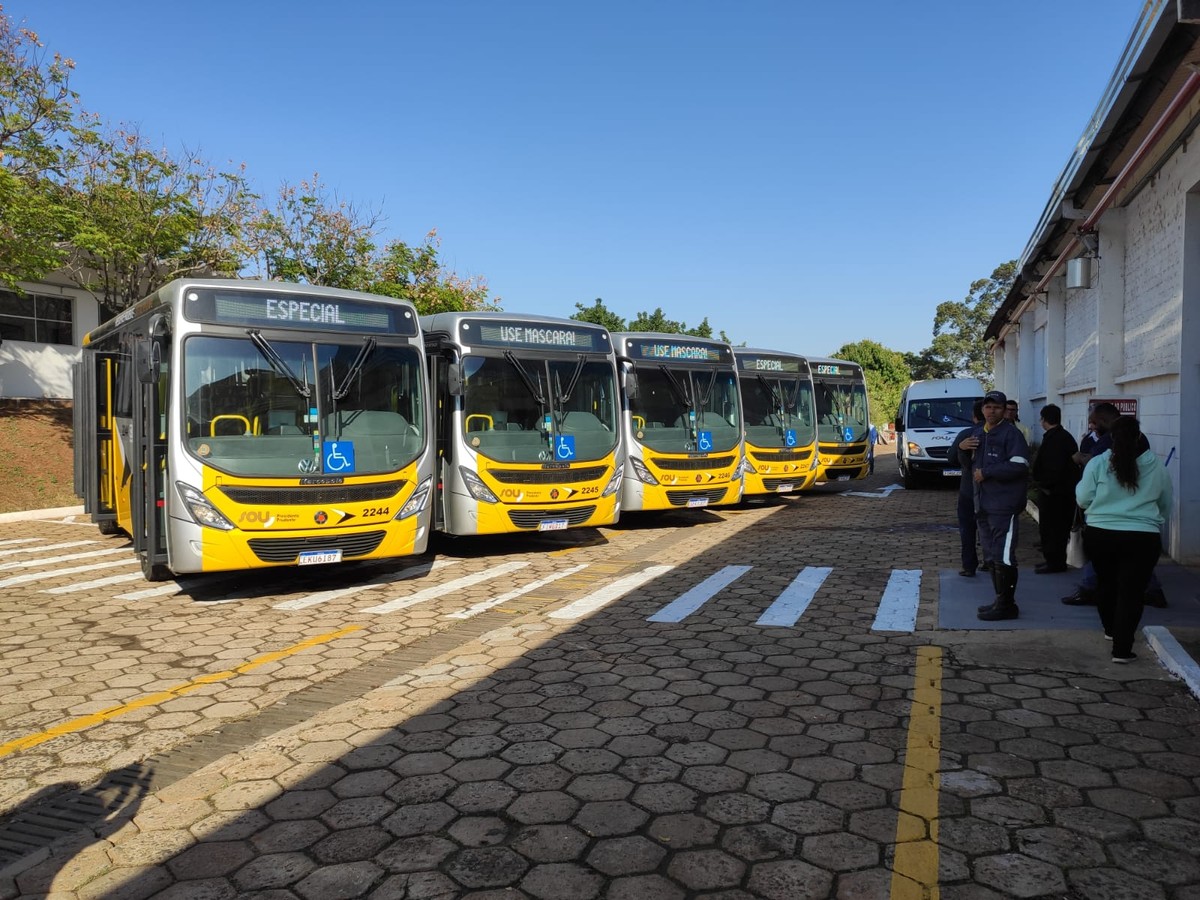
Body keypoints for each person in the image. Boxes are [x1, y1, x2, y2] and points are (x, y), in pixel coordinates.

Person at [1076, 416, 1172, 663]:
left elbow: (1083, 498)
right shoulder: (1157, 466)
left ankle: (1110, 629)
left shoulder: (1098, 463)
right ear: (1139, 436)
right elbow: (1165, 504)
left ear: (1111, 438)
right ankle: (1122, 648)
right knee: (1131, 592)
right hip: (1142, 537)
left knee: (1106, 584)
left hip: (1101, 534)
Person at [1062, 403, 1169, 608]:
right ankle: (1149, 592)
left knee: (1106, 575)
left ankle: (1092, 591)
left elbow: (1084, 496)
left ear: (1105, 423)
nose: (1091, 425)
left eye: (1094, 421)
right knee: (1136, 573)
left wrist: (1093, 510)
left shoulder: (1103, 456)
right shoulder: (1153, 462)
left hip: (1105, 524)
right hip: (1143, 527)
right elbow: (1164, 500)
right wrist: (1153, 518)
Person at [966, 390, 1031, 621]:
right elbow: (961, 462)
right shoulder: (978, 433)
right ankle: (999, 599)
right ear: (982, 409)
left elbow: (1020, 464)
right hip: (983, 506)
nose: (991, 411)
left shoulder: (1011, 435)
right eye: (988, 407)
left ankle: (1007, 606)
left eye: (996, 407)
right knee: (992, 556)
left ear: (1004, 411)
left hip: (1004, 506)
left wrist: (988, 472)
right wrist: (962, 448)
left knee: (1004, 556)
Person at [1031, 404, 1079, 573]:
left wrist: (1045, 484)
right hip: (1057, 491)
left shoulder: (1057, 438)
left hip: (1055, 493)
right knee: (1051, 529)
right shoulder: (1062, 436)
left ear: (1044, 419)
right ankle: (1052, 559)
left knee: (1054, 529)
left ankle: (1055, 562)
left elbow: (1055, 467)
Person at [948, 400, 984, 577]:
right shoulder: (1006, 433)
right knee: (992, 529)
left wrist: (961, 448)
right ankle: (992, 562)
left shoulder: (967, 434)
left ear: (974, 416)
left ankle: (969, 565)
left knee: (968, 529)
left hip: (968, 490)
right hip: (994, 492)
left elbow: (951, 458)